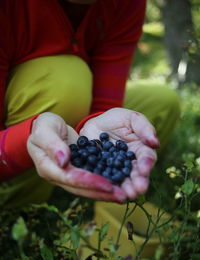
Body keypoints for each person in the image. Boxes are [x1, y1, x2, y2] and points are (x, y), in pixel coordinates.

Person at [0, 0, 180, 211]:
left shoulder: (128, 4)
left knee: (162, 101)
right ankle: (19, 212)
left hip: (69, 110)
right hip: (18, 125)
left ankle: (86, 186)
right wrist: (27, 137)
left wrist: (95, 124)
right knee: (67, 82)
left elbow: (104, 107)